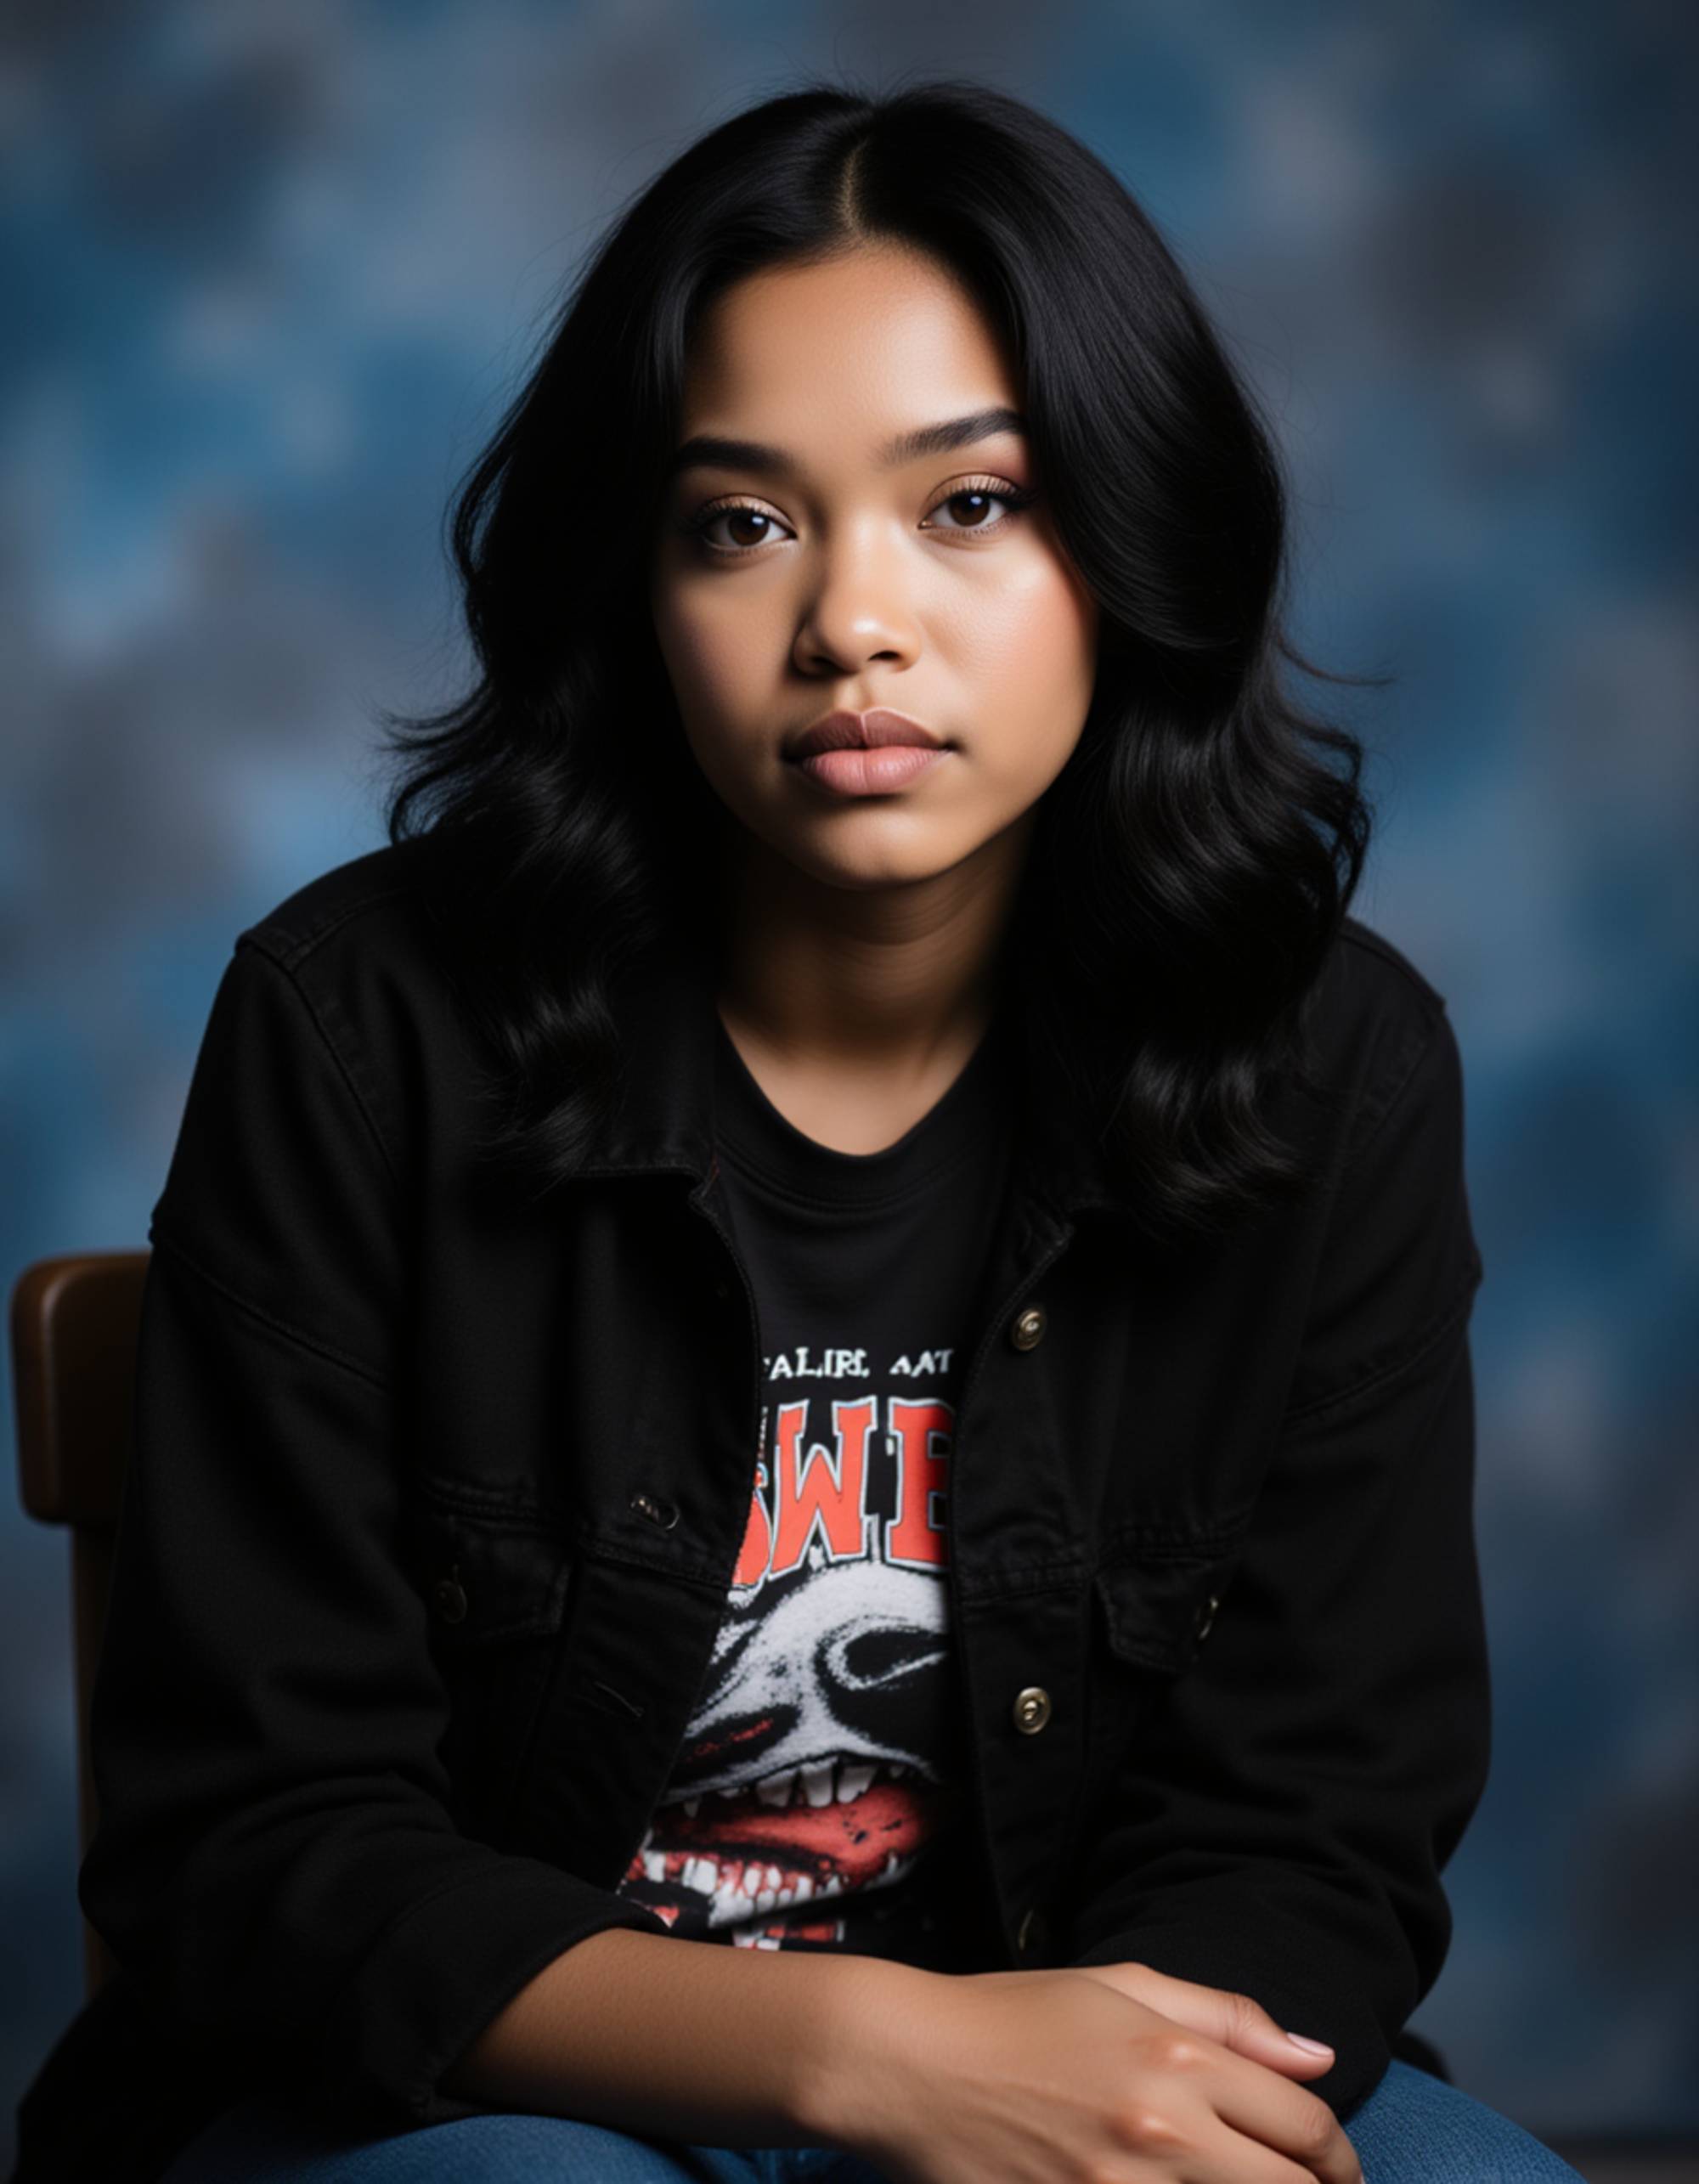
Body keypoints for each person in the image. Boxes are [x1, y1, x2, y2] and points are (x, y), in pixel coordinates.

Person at [13, 74, 1585, 2184]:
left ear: (1129, 534)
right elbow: (262, 1845)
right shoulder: (360, 1027)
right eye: (742, 520)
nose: (853, 619)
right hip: (491, 2103)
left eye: (971, 504)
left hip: (1078, 2063)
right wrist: (860, 2057)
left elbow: (1316, 1816)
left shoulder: (1329, 1065)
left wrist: (1064, 2111)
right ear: (634, 583)